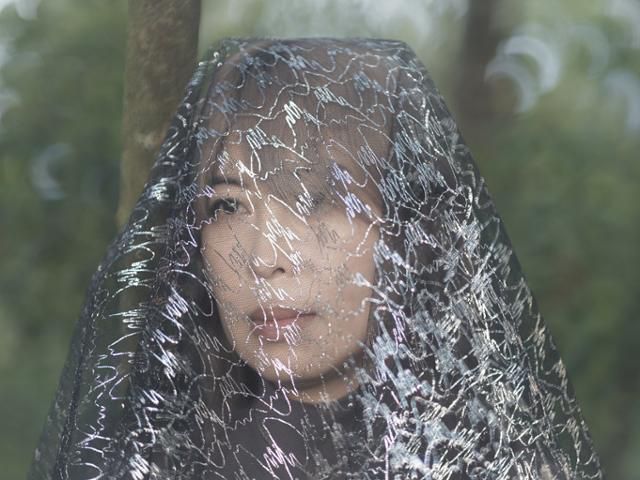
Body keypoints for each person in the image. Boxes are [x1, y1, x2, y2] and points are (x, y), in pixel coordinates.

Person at [29, 38, 603, 480]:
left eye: (322, 199)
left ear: (409, 232)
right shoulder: (148, 465)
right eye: (227, 205)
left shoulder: (505, 464)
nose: (263, 256)